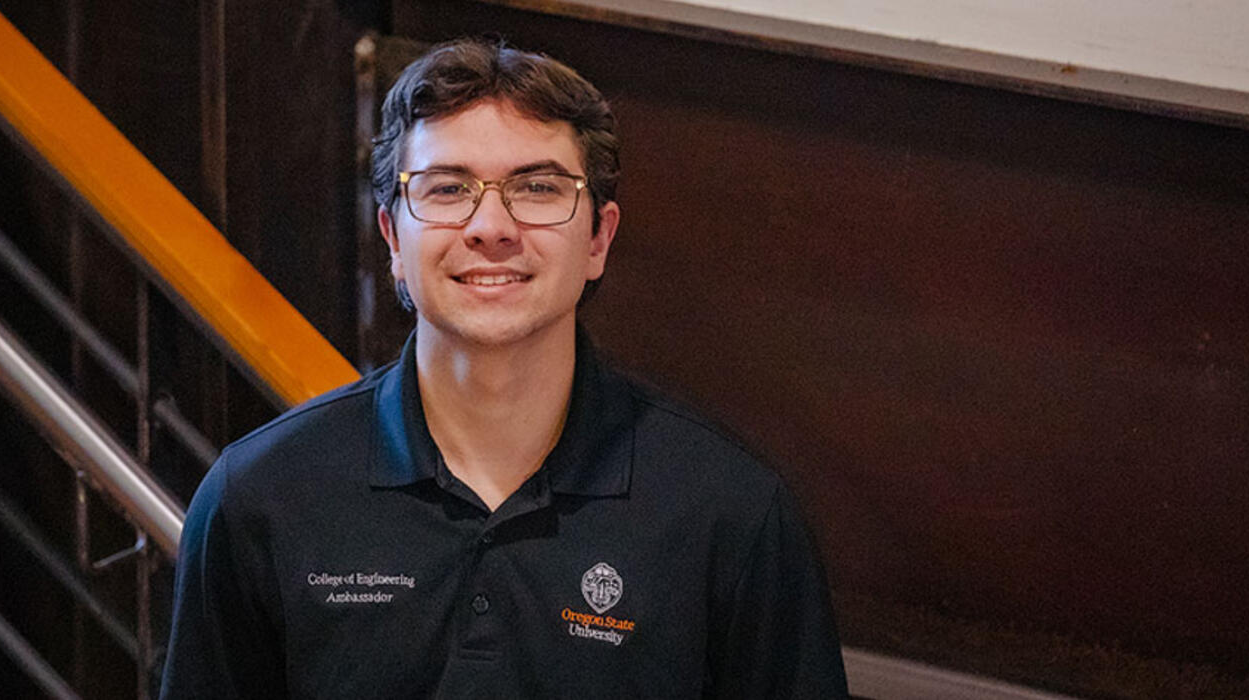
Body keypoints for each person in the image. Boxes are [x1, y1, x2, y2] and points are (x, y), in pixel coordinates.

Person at [159, 38, 847, 698]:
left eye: (539, 187)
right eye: (447, 187)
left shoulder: (733, 514)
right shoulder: (259, 497)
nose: (491, 226)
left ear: (599, 238)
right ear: (395, 239)